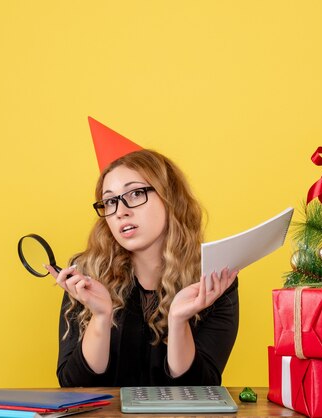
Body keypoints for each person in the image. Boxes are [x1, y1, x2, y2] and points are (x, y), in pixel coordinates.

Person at [46, 122, 239, 387]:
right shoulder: (85, 274)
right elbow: (72, 385)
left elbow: (202, 388)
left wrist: (178, 320)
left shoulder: (213, 279)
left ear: (169, 198)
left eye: (136, 193)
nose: (121, 211)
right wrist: (101, 317)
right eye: (111, 200)